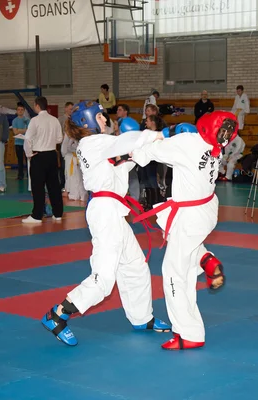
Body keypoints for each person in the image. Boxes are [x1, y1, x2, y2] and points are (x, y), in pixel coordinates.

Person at [41, 101, 171, 346]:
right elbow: (128, 144)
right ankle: (57, 314)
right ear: (87, 121)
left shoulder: (101, 146)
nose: (106, 119)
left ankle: (142, 317)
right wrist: (161, 134)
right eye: (100, 116)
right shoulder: (94, 143)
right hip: (105, 213)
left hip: (113, 212)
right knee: (103, 280)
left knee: (134, 266)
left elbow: (127, 159)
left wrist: (152, 146)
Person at [131, 111, 237, 350]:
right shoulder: (213, 147)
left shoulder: (188, 142)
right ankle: (205, 258)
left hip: (190, 216)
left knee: (173, 273)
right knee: (172, 233)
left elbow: (144, 156)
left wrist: (134, 145)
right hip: (204, 210)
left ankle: (188, 334)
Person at [22, 97, 64, 223]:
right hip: (51, 154)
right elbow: (59, 139)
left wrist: (29, 153)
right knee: (54, 186)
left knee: (38, 187)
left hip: (38, 156)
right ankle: (58, 214)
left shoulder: (35, 120)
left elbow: (28, 139)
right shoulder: (54, 120)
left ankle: (37, 215)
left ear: (36, 106)